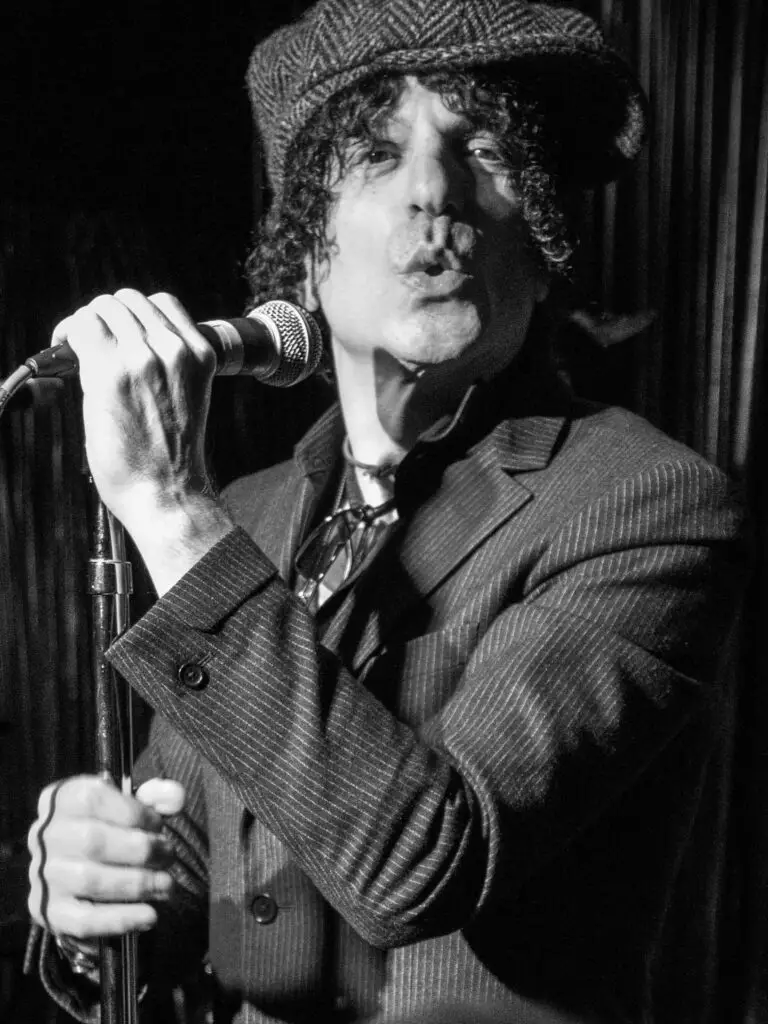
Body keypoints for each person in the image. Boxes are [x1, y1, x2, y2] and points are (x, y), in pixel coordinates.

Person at [26, 1, 747, 1022]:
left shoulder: (644, 501)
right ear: (304, 251)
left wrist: (171, 510)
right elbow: (193, 868)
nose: (432, 191)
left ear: (540, 244)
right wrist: (93, 896)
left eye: (483, 150)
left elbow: (422, 862)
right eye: (374, 153)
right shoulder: (253, 511)